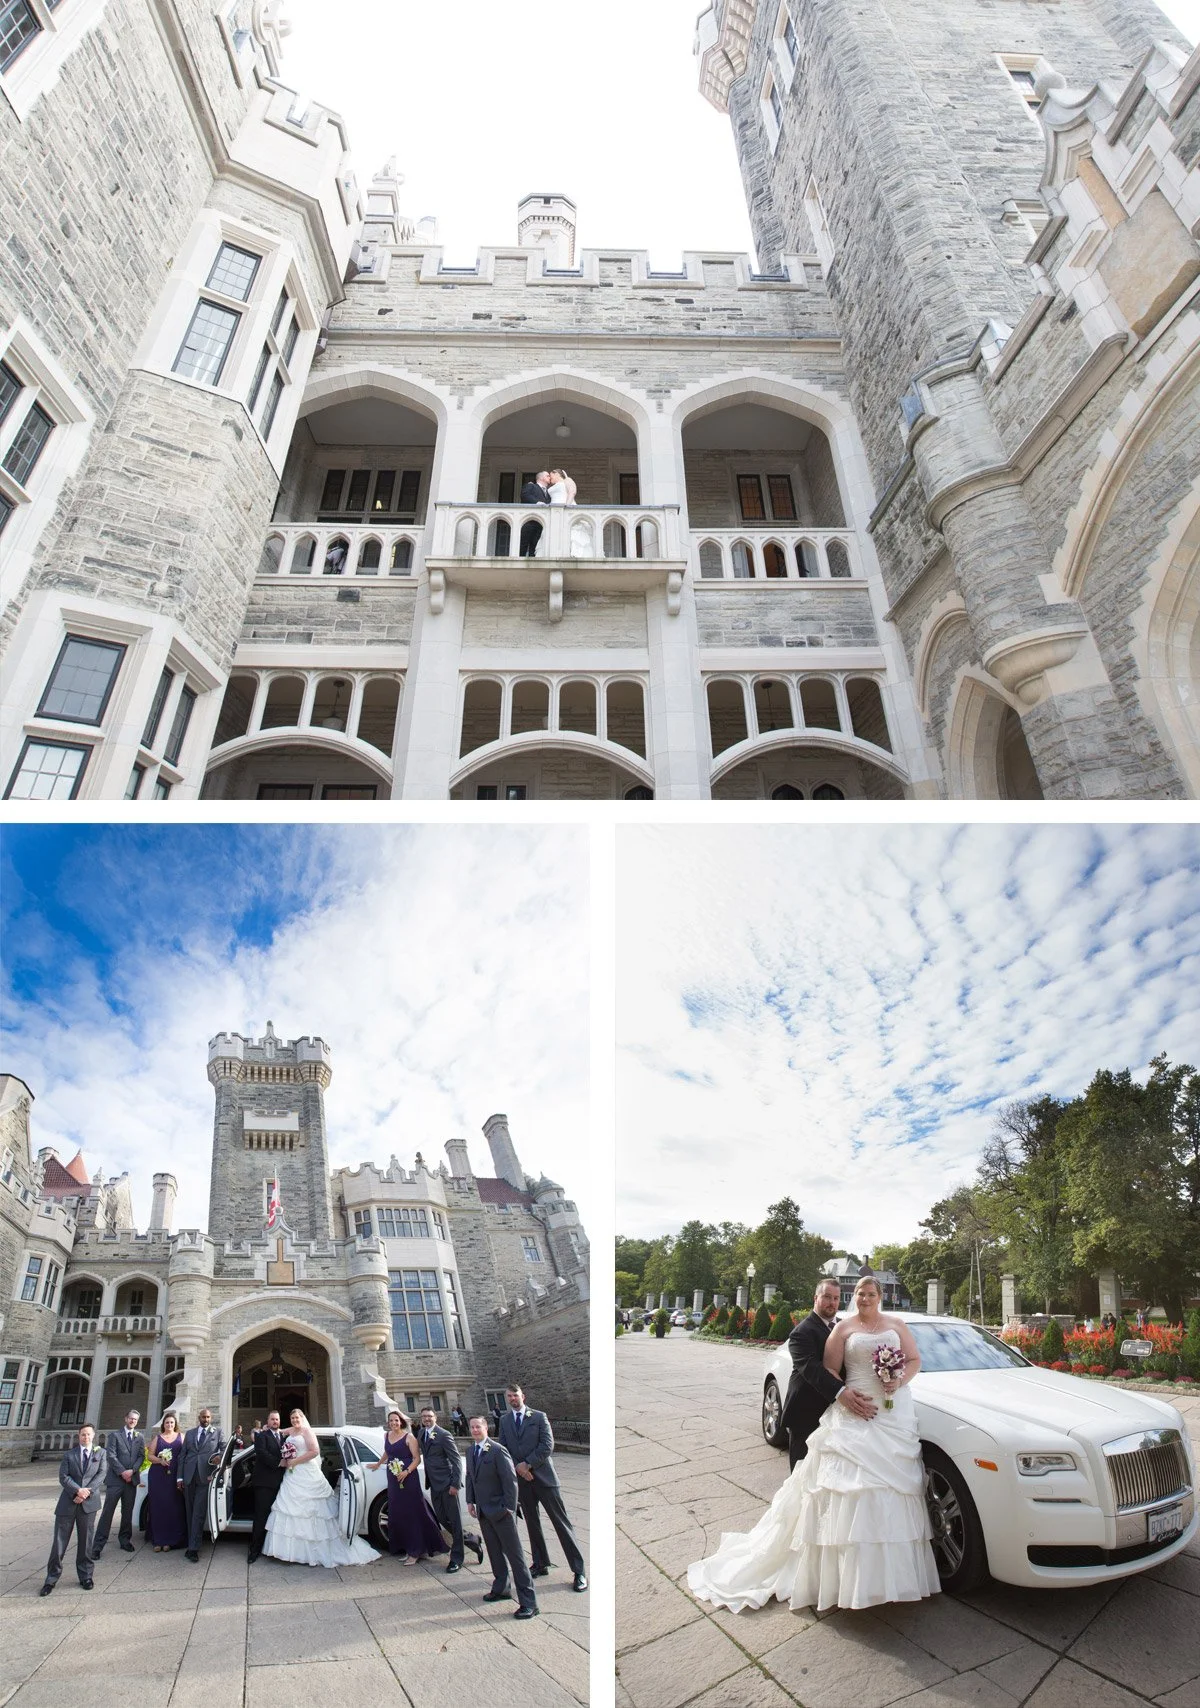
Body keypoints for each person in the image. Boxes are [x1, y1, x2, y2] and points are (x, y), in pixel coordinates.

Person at [688, 1275, 940, 1615]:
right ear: (823, 1297)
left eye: (869, 1293)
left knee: (890, 1491)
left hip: (893, 1414)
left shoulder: (894, 1324)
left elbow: (913, 1361)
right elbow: (826, 1370)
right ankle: (836, 1575)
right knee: (835, 1490)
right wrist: (845, 1396)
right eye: (858, 1294)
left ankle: (890, 1578)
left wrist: (896, 1380)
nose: (862, 1298)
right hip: (851, 1410)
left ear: (881, 1296)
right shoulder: (831, 1330)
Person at [781, 1278, 877, 1470]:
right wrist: (842, 1392)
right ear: (815, 1298)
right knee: (803, 1471)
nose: (831, 1302)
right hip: (807, 1411)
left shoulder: (845, 1327)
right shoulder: (801, 1332)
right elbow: (812, 1369)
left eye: (836, 1298)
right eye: (826, 1297)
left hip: (838, 1413)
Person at [499, 1383, 586, 1591]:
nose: (513, 1399)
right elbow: (503, 1448)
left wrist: (527, 1464)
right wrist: (519, 1469)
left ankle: (579, 1570)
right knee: (532, 1523)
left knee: (561, 1523)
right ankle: (540, 1562)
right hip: (523, 1481)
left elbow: (547, 1445)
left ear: (523, 1396)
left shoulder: (539, 1417)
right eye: (509, 1396)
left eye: (515, 1395)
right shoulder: (504, 1420)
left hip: (544, 1478)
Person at [265, 1408, 379, 1566]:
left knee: (313, 1512)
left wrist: (294, 1462)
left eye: (297, 1417)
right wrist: (266, 1428)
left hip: (305, 1472)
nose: (295, 1420)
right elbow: (280, 1431)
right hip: (293, 1476)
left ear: (302, 1418)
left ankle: (314, 1550)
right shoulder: (291, 1430)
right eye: (292, 1418)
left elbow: (314, 1451)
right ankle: (292, 1552)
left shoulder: (306, 1431)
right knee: (290, 1509)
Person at [465, 1415, 537, 1619]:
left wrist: (509, 1508)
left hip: (501, 1511)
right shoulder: (471, 1451)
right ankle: (501, 1588)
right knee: (495, 1552)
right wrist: (470, 1500)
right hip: (483, 1511)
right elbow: (470, 1476)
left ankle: (529, 1603)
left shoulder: (497, 1450)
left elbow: (510, 1481)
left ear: (486, 1427)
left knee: (516, 1557)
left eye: (478, 1426)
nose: (475, 1430)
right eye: (472, 1427)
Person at [367, 1408, 446, 1564]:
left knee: (412, 1513)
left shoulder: (409, 1437)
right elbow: (388, 1452)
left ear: (401, 1421)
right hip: (393, 1477)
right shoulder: (386, 1435)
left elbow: (417, 1459)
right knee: (398, 1513)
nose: (394, 1423)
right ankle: (407, 1548)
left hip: (408, 1478)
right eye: (391, 1421)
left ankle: (416, 1551)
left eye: (396, 1420)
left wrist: (406, 1471)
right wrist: (378, 1464)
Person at [40, 1424, 106, 1594]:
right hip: (68, 1503)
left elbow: (101, 1475)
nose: (86, 1437)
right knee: (59, 1543)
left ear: (93, 1436)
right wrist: (77, 1490)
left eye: (89, 1434)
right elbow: (63, 1477)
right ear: (79, 1436)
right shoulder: (70, 1455)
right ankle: (51, 1579)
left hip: (88, 1503)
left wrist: (85, 1493)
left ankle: (85, 1576)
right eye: (83, 1435)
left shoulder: (101, 1453)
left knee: (86, 1542)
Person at [417, 1405, 484, 1572]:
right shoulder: (421, 1433)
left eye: (430, 1416)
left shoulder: (444, 1435)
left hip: (447, 1485)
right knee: (441, 1518)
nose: (427, 1419)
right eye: (424, 1416)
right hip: (433, 1484)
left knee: (455, 1521)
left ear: (435, 1418)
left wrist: (455, 1484)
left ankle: (457, 1559)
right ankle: (472, 1540)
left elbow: (455, 1461)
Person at [91, 1408, 145, 1559]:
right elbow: (111, 1455)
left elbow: (141, 1456)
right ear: (125, 1419)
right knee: (108, 1512)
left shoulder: (139, 1437)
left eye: (135, 1419)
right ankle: (98, 1545)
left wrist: (132, 1471)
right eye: (131, 1418)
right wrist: (123, 1472)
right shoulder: (115, 1435)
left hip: (131, 1481)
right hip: (116, 1480)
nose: (133, 1421)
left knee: (127, 1513)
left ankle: (125, 1540)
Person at [178, 1407, 226, 1562]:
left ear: (211, 1418)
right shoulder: (190, 1433)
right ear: (199, 1418)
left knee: (198, 1513)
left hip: (206, 1478)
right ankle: (191, 1541)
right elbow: (183, 1455)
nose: (206, 1420)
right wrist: (179, 1477)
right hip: (189, 1477)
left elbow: (224, 1450)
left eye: (208, 1417)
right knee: (189, 1512)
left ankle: (193, 1548)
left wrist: (218, 1460)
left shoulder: (217, 1432)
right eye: (203, 1417)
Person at [248, 1409, 286, 1563]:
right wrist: (279, 1462)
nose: (275, 1422)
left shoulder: (284, 1437)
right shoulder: (261, 1436)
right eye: (272, 1419)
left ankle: (276, 1549)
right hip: (264, 1483)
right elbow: (261, 1453)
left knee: (279, 1516)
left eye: (277, 1419)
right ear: (268, 1421)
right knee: (261, 1516)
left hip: (283, 1483)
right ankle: (254, 1550)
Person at [145, 1412, 187, 1551]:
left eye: (172, 1423)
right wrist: (160, 1461)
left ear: (175, 1425)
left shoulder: (181, 1437)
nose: (169, 1425)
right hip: (158, 1476)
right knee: (158, 1507)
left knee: (174, 1507)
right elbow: (150, 1456)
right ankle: (158, 1540)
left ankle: (171, 1540)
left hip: (175, 1476)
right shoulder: (158, 1438)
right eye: (167, 1422)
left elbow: (186, 1455)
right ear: (163, 1424)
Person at [519, 472, 552, 556]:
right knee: (523, 544)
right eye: (547, 476)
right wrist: (537, 502)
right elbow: (525, 495)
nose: (550, 477)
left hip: (541, 523)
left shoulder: (549, 492)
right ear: (541, 478)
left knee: (535, 547)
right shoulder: (531, 486)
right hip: (529, 521)